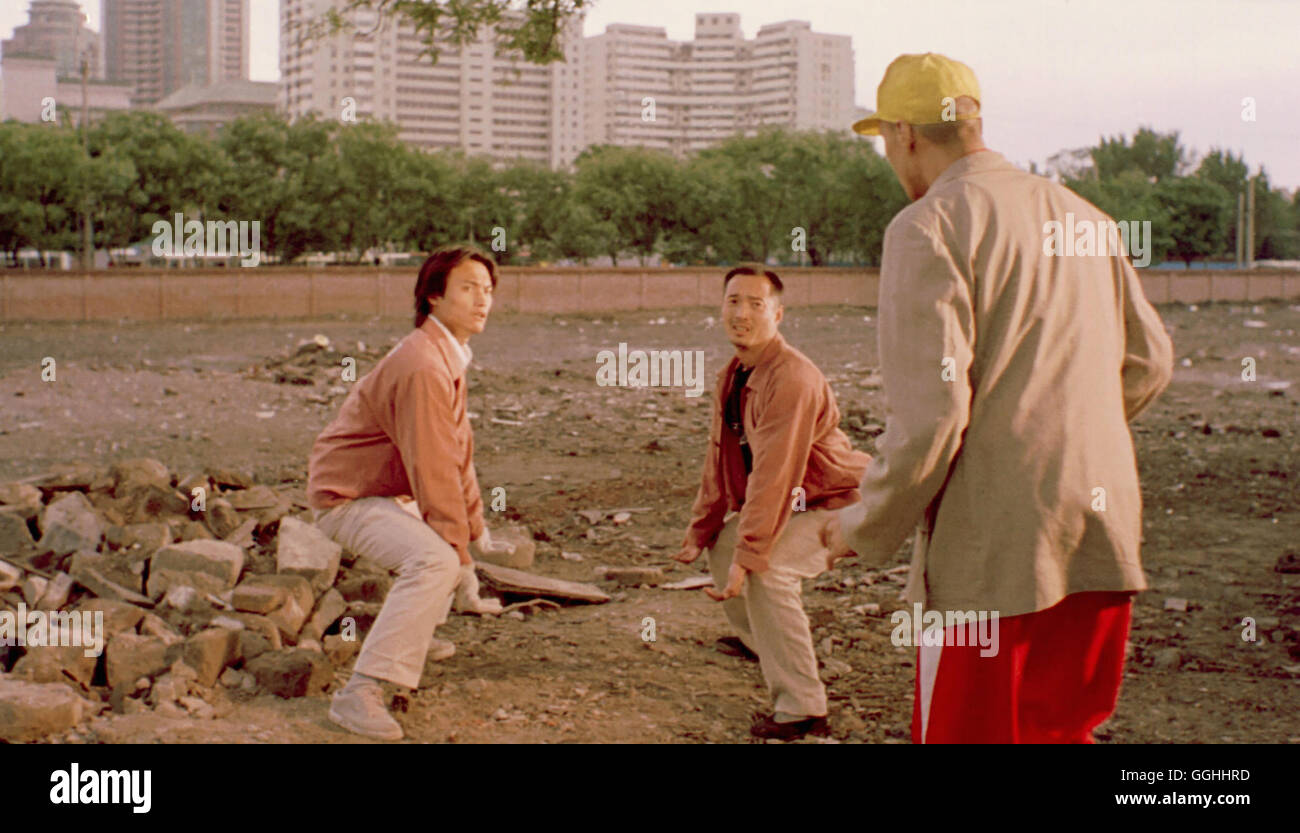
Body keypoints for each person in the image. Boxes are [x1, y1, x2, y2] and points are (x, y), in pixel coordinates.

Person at [822, 53, 1174, 743]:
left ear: (906, 135)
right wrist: (1059, 434)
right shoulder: (1084, 215)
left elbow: (933, 419)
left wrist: (862, 525)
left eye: (887, 141)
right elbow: (1150, 361)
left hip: (994, 553)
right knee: (1061, 731)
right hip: (1100, 531)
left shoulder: (926, 225)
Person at [306, 244, 514, 741]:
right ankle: (361, 692)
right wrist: (460, 554)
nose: (482, 300)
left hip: (380, 491)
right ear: (434, 297)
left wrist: (477, 531)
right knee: (436, 561)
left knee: (446, 546)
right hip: (345, 498)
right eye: (468, 288)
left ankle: (413, 638)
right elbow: (434, 468)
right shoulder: (424, 364)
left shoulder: (446, 354)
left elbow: (457, 452)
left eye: (487, 290)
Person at [674, 265, 871, 741]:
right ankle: (763, 644)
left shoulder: (793, 378)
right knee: (723, 550)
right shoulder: (735, 372)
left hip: (838, 502)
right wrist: (701, 530)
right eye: (733, 301)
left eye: (755, 304)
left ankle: (804, 709)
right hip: (798, 500)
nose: (741, 313)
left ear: (778, 314)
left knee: (767, 568)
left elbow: (775, 474)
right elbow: (719, 457)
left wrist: (753, 550)